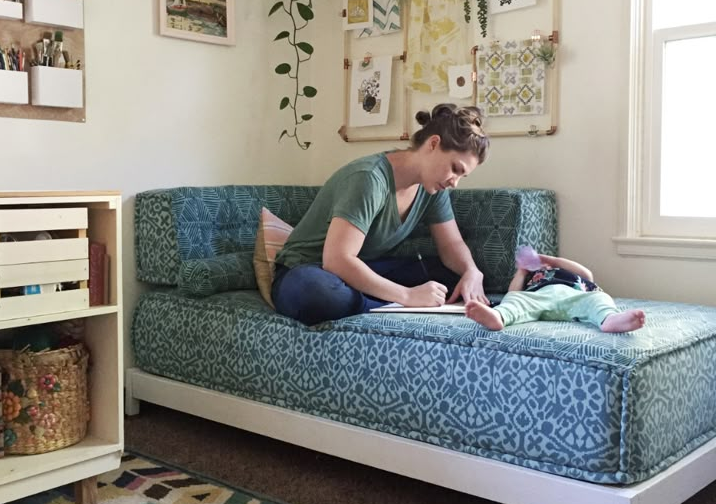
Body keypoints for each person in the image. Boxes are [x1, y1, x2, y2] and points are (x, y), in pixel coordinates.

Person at [272, 103, 491, 325]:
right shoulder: (369, 178)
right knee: (315, 292)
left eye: (462, 176)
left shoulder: (432, 187)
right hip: (309, 271)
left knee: (449, 278)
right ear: (433, 144)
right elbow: (336, 261)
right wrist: (408, 296)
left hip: (364, 267)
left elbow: (451, 244)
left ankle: (377, 301)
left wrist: (472, 272)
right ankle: (388, 305)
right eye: (456, 168)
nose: (455, 182)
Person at [464, 252, 646, 333]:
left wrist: (553, 260)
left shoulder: (572, 277)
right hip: (538, 298)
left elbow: (586, 274)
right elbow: (513, 292)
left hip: (574, 297)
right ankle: (498, 317)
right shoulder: (533, 279)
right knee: (513, 300)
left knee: (599, 299)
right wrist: (522, 271)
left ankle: (609, 319)